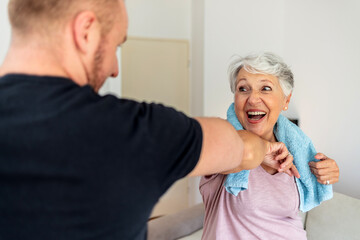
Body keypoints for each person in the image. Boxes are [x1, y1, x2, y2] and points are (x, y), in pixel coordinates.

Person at [0, 1, 299, 240]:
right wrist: (266, 151)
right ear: (86, 31)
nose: (115, 69)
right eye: (116, 46)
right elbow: (244, 149)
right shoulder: (138, 130)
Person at [200, 52, 340, 240]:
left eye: (265, 88)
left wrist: (328, 173)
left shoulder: (294, 153)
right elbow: (214, 152)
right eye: (243, 89)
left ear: (286, 101)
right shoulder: (223, 138)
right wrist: (261, 150)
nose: (252, 99)